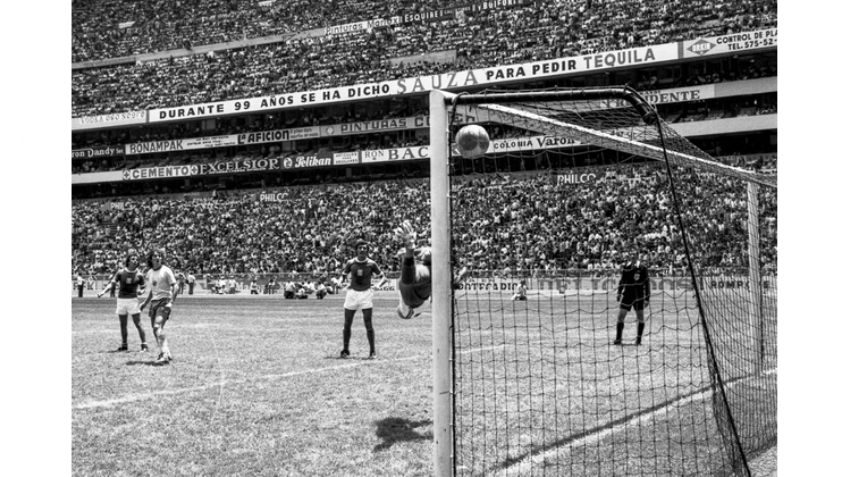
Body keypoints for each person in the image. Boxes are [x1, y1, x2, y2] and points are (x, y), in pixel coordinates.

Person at [339, 239, 386, 359]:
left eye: (365, 248)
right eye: (360, 248)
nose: (362, 250)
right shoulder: (350, 263)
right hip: (352, 294)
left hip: (366, 295)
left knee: (368, 324)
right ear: (356, 250)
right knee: (347, 324)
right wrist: (339, 282)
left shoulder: (372, 263)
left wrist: (378, 286)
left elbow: (383, 278)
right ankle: (345, 350)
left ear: (367, 251)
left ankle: (372, 352)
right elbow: (343, 277)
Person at [97, 251, 148, 352]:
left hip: (133, 300)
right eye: (133, 259)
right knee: (122, 324)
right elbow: (112, 284)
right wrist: (103, 292)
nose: (135, 261)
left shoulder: (139, 275)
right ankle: (124, 345)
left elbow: (143, 288)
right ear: (128, 261)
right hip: (121, 300)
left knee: (138, 323)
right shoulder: (120, 272)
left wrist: (141, 292)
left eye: (136, 259)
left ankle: (144, 345)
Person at [139, 249, 179, 364]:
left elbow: (175, 287)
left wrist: (171, 302)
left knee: (157, 327)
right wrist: (145, 303)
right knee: (155, 329)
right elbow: (152, 291)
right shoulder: (150, 272)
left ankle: (164, 354)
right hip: (154, 303)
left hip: (164, 301)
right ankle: (165, 352)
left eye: (160, 256)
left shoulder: (166, 271)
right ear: (151, 259)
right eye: (155, 256)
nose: (158, 258)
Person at [393, 221, 432, 320]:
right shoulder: (424, 264)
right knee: (406, 280)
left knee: (406, 281)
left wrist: (409, 250)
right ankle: (409, 246)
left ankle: (409, 246)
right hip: (418, 293)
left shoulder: (424, 268)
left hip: (416, 294)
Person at [614, 254, 651, 345]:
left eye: (634, 255)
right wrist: (619, 292)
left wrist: (647, 298)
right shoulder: (626, 267)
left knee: (640, 318)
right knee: (620, 317)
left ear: (637, 256)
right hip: (627, 295)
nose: (632, 257)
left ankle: (638, 340)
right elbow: (622, 280)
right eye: (631, 255)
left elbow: (647, 283)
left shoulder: (643, 268)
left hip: (639, 296)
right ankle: (618, 339)